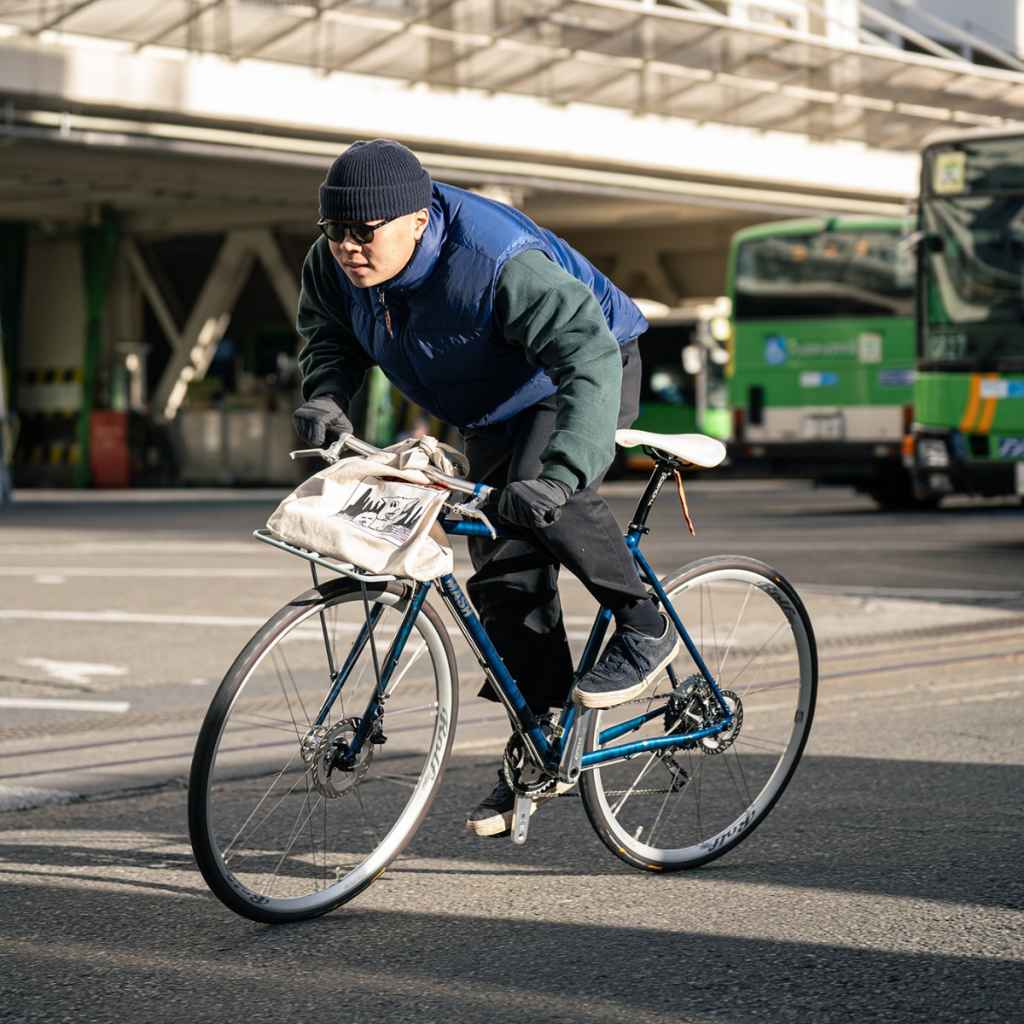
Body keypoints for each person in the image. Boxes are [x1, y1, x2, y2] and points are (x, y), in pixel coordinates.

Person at [293, 139, 680, 837]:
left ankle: (645, 622)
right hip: (489, 404)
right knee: (501, 573)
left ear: (416, 220)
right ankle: (541, 739)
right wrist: (327, 396)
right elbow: (329, 334)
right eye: (334, 230)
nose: (347, 246)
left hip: (581, 368)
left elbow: (586, 355)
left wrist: (562, 475)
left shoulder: (495, 262)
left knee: (541, 494)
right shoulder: (334, 264)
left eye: (362, 232)